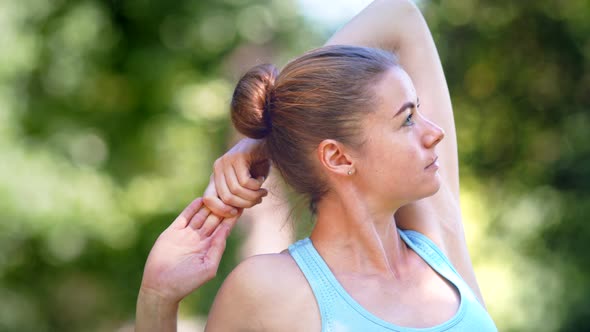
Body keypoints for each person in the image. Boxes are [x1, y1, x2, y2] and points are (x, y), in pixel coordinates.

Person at [136, 0, 498, 331]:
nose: (434, 133)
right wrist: (157, 299)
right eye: (407, 119)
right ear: (338, 157)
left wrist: (266, 136)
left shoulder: (436, 240)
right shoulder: (267, 292)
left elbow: (401, 13)